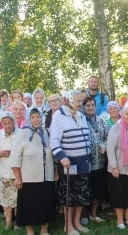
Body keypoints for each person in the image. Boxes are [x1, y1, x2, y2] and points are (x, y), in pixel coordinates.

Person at [50, 90, 92, 235]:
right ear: (68, 101)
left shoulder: (80, 115)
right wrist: (62, 157)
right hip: (69, 164)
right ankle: (68, 227)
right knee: (69, 197)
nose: (81, 104)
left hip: (83, 162)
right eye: (78, 101)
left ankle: (77, 223)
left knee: (81, 195)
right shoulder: (59, 116)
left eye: (81, 101)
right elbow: (53, 141)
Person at [10, 108, 56, 235]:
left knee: (46, 203)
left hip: (47, 176)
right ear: (29, 119)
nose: (36, 119)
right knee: (29, 205)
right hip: (29, 177)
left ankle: (44, 229)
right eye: (33, 117)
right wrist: (18, 177)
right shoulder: (23, 133)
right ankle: (30, 230)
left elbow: (53, 153)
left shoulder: (46, 132)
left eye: (38, 116)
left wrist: (56, 170)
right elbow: (15, 157)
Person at [0, 112, 22, 229]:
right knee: (6, 199)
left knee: (18, 199)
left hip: (17, 173)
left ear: (14, 122)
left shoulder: (21, 134)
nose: (8, 126)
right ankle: (8, 222)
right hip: (4, 172)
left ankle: (18, 223)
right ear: (2, 124)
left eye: (10, 123)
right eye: (5, 124)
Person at [81, 97, 109, 223]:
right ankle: (83, 215)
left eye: (92, 105)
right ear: (83, 107)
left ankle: (93, 214)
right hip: (85, 162)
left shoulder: (102, 121)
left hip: (99, 162)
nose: (90, 107)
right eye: (87, 105)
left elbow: (109, 138)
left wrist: (104, 146)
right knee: (84, 189)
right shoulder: (79, 121)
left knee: (98, 189)